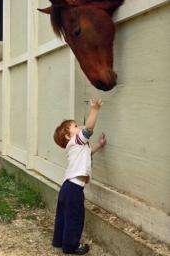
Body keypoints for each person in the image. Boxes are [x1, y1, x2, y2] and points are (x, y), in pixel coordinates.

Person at [52, 99, 106, 255]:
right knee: (75, 218)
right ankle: (70, 247)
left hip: (67, 188)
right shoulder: (76, 141)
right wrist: (95, 110)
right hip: (74, 189)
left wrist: (99, 145)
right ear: (69, 136)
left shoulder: (77, 146)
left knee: (63, 216)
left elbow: (88, 153)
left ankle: (59, 241)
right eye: (75, 126)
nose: (79, 127)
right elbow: (89, 128)